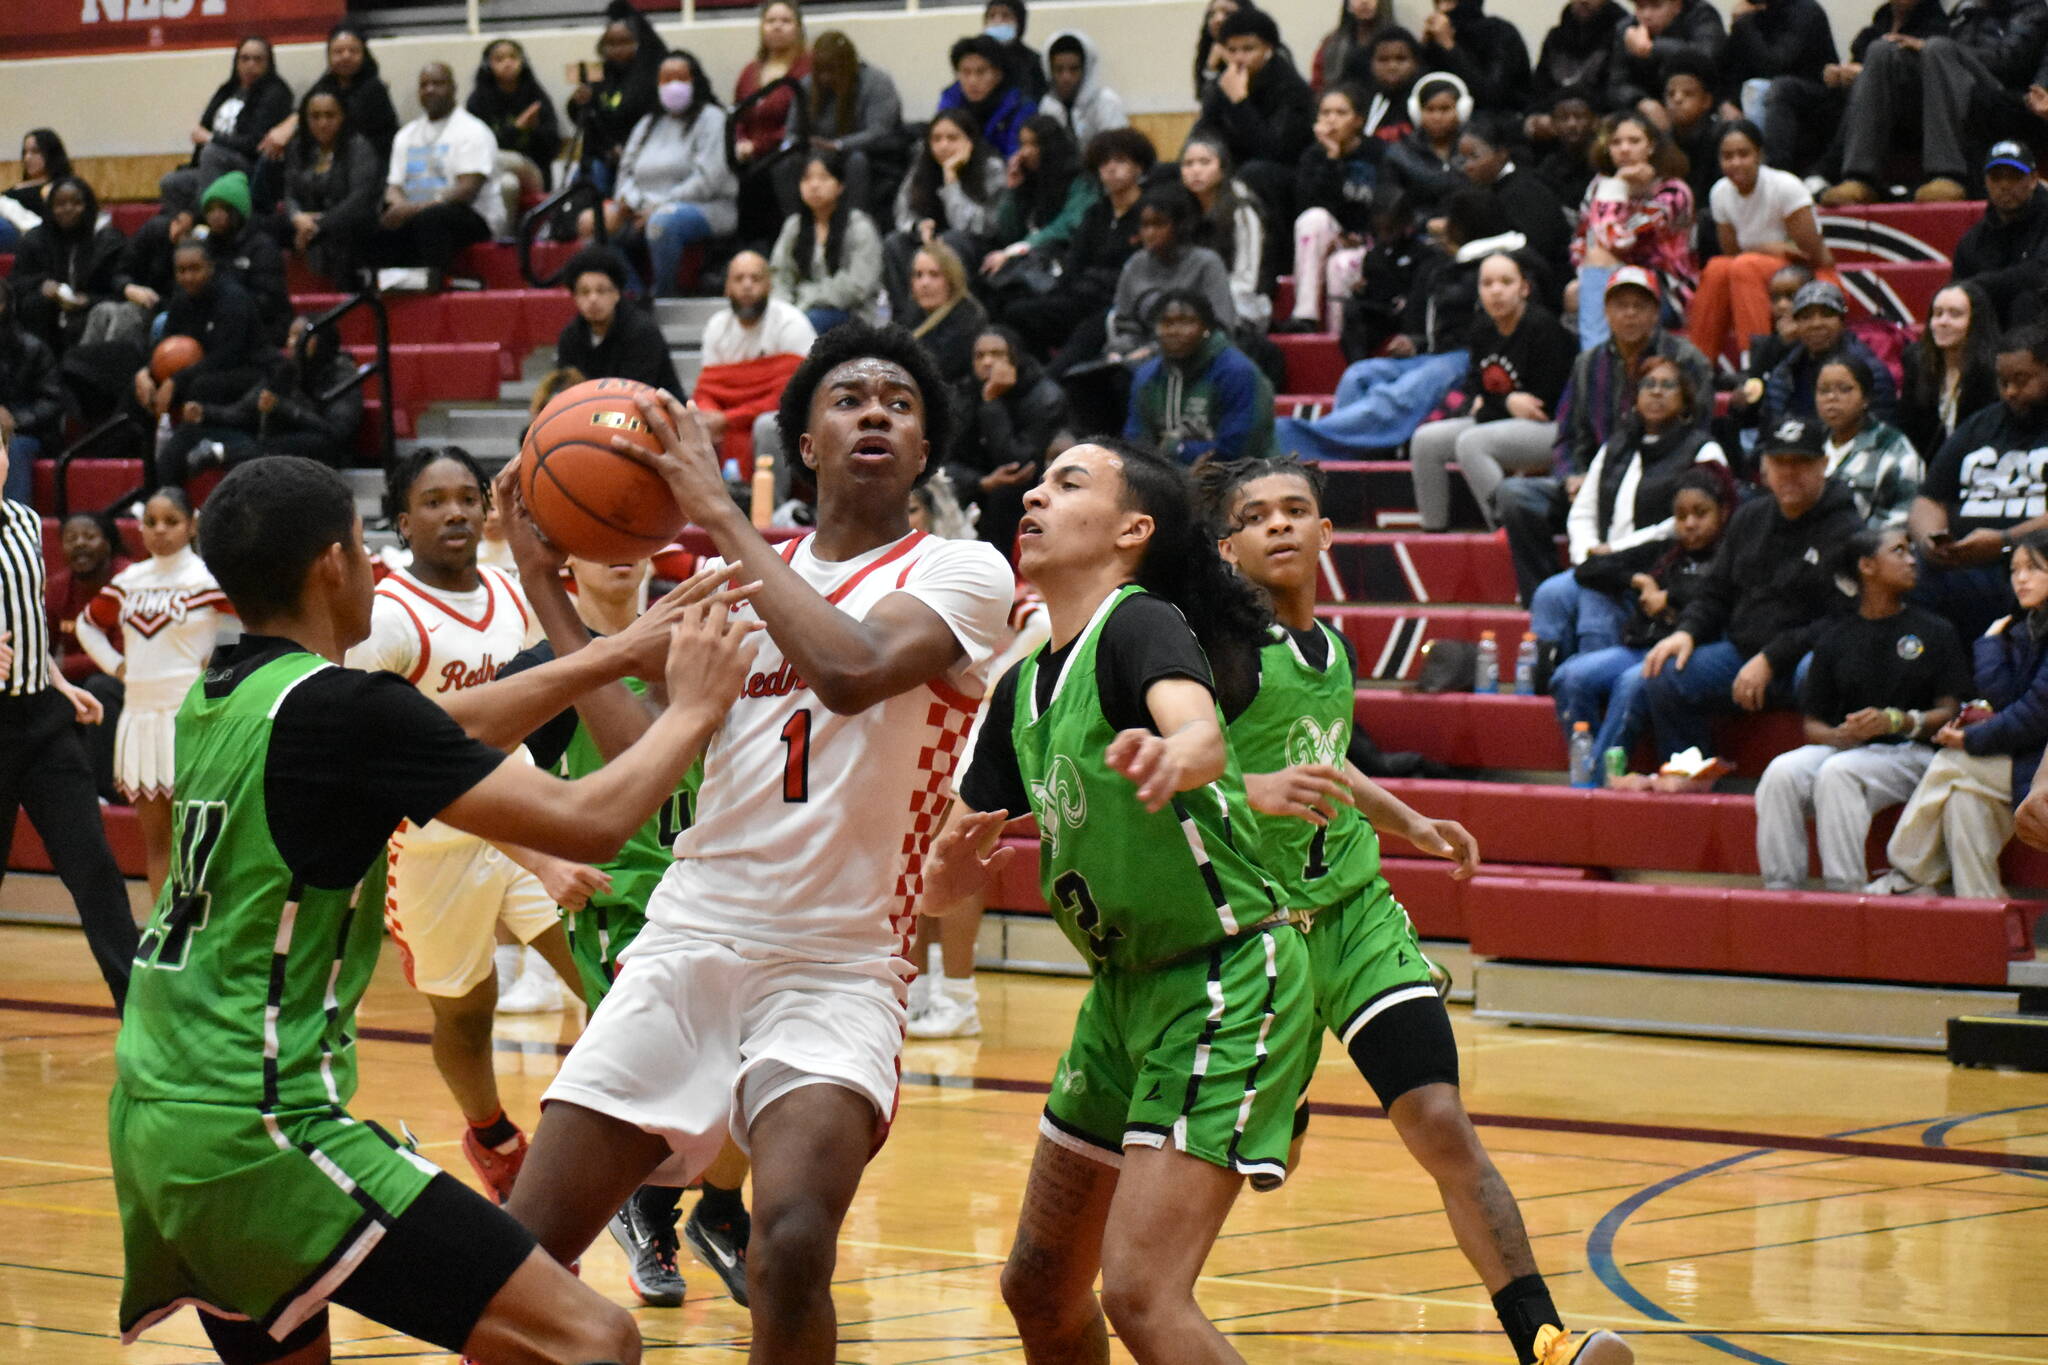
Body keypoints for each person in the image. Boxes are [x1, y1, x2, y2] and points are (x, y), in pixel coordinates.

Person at [107, 453, 752, 1365]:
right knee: (590, 1338)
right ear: (336, 562)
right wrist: (693, 707)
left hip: (154, 1116)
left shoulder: (225, 692)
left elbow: (446, 726)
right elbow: (593, 820)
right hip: (259, 1130)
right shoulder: (343, 710)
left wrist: (615, 651)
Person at [503, 323, 1014, 1364]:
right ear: (808, 443)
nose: (874, 409)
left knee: (787, 1243)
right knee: (516, 1252)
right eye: (847, 398)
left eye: (899, 403)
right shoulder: (736, 583)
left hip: (836, 966)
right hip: (690, 940)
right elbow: (651, 758)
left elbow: (852, 667)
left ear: (922, 453)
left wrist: (717, 519)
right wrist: (546, 588)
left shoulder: (963, 572)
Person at [1201, 454, 1633, 1365]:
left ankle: (1546, 1342)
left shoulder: (1331, 647)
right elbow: (1168, 773)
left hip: (1355, 913)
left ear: (1327, 534)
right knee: (1215, 1174)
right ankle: (1152, 1298)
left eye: (1297, 510)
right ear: (1226, 546)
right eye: (1257, 515)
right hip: (1254, 936)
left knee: (1439, 1118)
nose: (1280, 524)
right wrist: (1252, 784)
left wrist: (1408, 819)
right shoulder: (1215, 651)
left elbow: (1326, 758)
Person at [920, 436, 1310, 1365]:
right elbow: (942, 864)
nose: (1037, 496)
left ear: (1133, 529)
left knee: (1140, 1292)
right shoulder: (1020, 689)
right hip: (1121, 997)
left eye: (1069, 482)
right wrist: (938, 861)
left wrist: (1174, 755)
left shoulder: (1140, 625)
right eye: (1038, 481)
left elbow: (1203, 737)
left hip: (1224, 973)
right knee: (1039, 1287)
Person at [345, 448, 600, 1198]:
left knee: (606, 978)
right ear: (403, 521)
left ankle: (596, 1146)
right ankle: (491, 1135)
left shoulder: (506, 592)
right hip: (431, 846)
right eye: (434, 501)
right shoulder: (386, 620)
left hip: (524, 816)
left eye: (466, 498)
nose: (455, 512)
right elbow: (397, 768)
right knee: (467, 1011)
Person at [0, 442, 138, 1010]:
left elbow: (28, 617)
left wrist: (58, 681)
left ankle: (141, 1007)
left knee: (93, 867)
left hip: (43, 718)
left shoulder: (26, 521)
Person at [1638, 417, 1864, 761]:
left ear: (1824, 465)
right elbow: (1715, 592)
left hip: (1800, 662)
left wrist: (1773, 658)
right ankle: (1692, 773)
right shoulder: (1749, 518)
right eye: (1779, 462)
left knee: (1820, 670)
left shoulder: (1847, 530)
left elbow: (1844, 621)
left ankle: (1822, 772)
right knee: (1666, 672)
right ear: (1764, 468)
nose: (1789, 472)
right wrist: (1687, 632)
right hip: (1741, 654)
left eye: (1800, 462)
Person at [1754, 526, 1965, 890]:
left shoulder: (1935, 630)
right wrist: (1841, 734)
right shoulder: (1836, 635)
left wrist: (1896, 721)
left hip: (1915, 752)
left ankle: (1845, 895)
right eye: (1898, 551)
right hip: (1855, 750)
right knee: (1780, 773)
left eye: (1911, 551)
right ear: (1867, 566)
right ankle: (1780, 891)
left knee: (1839, 773)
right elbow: (1813, 724)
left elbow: (1952, 712)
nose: (1912, 559)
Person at [1498, 267, 1711, 604]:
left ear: (1655, 313)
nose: (1629, 314)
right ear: (1606, 312)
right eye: (1620, 305)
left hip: (1658, 484)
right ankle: (1541, 596)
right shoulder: (1587, 363)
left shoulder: (1686, 361)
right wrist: (1572, 475)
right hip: (1593, 482)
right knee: (1516, 497)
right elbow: (1567, 436)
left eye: (1638, 306)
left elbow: (1699, 435)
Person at [1273, 189, 1523, 461]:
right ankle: (1348, 461)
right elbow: (1425, 321)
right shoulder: (1441, 264)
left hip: (1471, 359)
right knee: (1359, 376)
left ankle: (1301, 438)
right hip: (1433, 354)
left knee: (1399, 394)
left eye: (1450, 222)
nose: (1441, 227)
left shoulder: (1504, 265)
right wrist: (1414, 341)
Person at [73, 489, 230, 899]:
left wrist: (221, 676)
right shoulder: (128, 582)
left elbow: (252, 622)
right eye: (152, 522)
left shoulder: (208, 579)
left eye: (171, 521)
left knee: (198, 838)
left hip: (193, 717)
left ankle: (201, 935)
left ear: (192, 524)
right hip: (139, 718)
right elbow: (88, 625)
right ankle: (163, 940)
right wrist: (117, 667)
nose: (160, 530)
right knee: (158, 840)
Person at [1882, 529, 2048, 898]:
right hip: (2027, 756)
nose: (2021, 578)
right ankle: (1989, 920)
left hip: (2042, 768)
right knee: (1964, 805)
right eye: (2015, 569)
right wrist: (1993, 641)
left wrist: (1969, 739)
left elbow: (2035, 716)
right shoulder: (2025, 630)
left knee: (1952, 764)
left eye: (2034, 569)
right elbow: (2002, 698)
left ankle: (1909, 869)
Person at [1532, 354, 1726, 667]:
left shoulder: (1703, 449)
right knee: (1550, 594)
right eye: (1648, 384)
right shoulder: (1616, 445)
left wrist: (1613, 554)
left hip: (1658, 564)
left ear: (1686, 399)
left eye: (1667, 385)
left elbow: (1685, 523)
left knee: (1598, 598)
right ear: (1635, 396)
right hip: (1603, 562)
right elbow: (1584, 509)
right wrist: (1587, 555)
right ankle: (1548, 679)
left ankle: (1593, 685)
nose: (1657, 391)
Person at [1552, 465, 1728, 755]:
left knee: (1630, 684)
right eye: (1681, 516)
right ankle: (1587, 766)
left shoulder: (1732, 552)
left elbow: (1726, 595)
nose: (1690, 524)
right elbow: (1589, 568)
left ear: (1722, 512)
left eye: (1701, 513)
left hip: (1695, 653)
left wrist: (1671, 597)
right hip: (1641, 647)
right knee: (1569, 677)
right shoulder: (1666, 551)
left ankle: (1599, 781)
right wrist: (1640, 580)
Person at [1821, 0, 2048, 206]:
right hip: (1955, 85)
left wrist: (1942, 50)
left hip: (2004, 95)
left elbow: (2009, 63)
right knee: (1881, 51)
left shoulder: (2031, 9)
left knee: (1938, 47)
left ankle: (1947, 174)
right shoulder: (1963, 12)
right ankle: (1859, 179)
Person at [1410, 252, 1574, 532]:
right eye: (1487, 284)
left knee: (1471, 443)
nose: (1496, 291)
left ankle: (1510, 532)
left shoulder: (1543, 328)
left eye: (1506, 282)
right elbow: (1476, 389)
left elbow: (1541, 406)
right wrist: (1507, 402)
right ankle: (1433, 532)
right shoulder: (1482, 328)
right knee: (1425, 441)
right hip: (1500, 419)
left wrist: (1492, 405)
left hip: (1553, 430)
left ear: (1524, 288)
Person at [1910, 324, 2048, 642]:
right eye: (2003, 382)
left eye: (2022, 380)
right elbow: (1928, 499)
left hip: (2031, 561)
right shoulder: (1981, 424)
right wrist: (1931, 541)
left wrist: (2004, 540)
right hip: (1964, 563)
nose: (2010, 391)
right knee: (1903, 572)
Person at [1000, 127, 1153, 366]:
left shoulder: (1150, 214)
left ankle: (1053, 377)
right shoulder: (1095, 213)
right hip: (1081, 296)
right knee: (1015, 312)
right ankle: (1036, 375)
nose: (1111, 169)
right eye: (1104, 164)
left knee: (1081, 340)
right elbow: (1075, 263)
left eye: (1120, 161)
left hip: (1116, 305)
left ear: (1139, 167)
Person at [1687, 122, 1834, 368]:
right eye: (1727, 156)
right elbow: (1731, 254)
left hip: (1808, 271)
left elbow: (1813, 255)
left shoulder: (1784, 186)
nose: (1735, 163)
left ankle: (1754, 363)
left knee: (1745, 266)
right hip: (1758, 269)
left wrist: (1759, 252)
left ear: (1759, 155)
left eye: (1743, 154)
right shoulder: (1720, 193)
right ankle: (1697, 365)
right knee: (1716, 268)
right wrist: (1766, 248)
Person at [160, 315, 365, 487]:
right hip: (270, 443)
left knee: (292, 445)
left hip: (321, 451)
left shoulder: (342, 373)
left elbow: (337, 431)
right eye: (290, 336)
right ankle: (161, 494)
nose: (290, 342)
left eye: (297, 336)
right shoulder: (287, 370)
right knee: (190, 430)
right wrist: (205, 412)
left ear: (316, 341)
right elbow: (244, 411)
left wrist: (282, 408)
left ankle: (224, 454)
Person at [1768, 0, 1948, 186]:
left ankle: (1825, 171)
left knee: (1861, 90)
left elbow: (1920, 80)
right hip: (1852, 98)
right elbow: (1857, 60)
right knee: (1785, 88)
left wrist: (1865, 75)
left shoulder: (1936, 27)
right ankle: (1775, 178)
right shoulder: (1880, 21)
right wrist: (1839, 73)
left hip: (1900, 110)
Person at [603, 51, 738, 298]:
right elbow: (626, 172)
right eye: (666, 79)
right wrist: (632, 203)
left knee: (662, 223)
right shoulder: (647, 123)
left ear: (695, 81)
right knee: (598, 224)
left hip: (706, 206)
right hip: (643, 206)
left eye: (680, 77)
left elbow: (709, 179)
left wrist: (657, 206)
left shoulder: (713, 119)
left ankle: (664, 297)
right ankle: (634, 295)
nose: (673, 85)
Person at [1568, 113, 1696, 349]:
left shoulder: (1673, 192)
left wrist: (1616, 188)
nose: (1624, 149)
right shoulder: (1598, 185)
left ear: (1651, 147)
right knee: (1583, 279)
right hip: (1609, 279)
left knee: (1599, 258)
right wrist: (1581, 278)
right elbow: (1580, 242)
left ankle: (1597, 361)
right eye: (1616, 143)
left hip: (1665, 288)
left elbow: (1617, 239)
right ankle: (1597, 361)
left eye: (1634, 141)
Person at [370, 63, 503, 289]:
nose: (430, 89)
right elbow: (393, 187)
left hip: (472, 216)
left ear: (453, 88)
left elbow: (466, 190)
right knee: (371, 218)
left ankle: (438, 285)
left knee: (432, 218)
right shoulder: (406, 134)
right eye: (424, 85)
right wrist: (400, 206)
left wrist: (412, 210)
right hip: (420, 213)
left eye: (437, 83)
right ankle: (386, 288)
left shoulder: (473, 130)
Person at [693, 250, 817, 485]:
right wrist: (710, 415)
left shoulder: (791, 323)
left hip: (784, 418)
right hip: (727, 419)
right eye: (739, 279)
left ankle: (772, 510)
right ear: (727, 287)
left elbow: (795, 393)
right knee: (694, 421)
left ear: (769, 285)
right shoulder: (716, 327)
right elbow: (707, 389)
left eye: (755, 278)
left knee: (767, 425)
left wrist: (728, 419)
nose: (747, 286)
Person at [948, 324, 1065, 552]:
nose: (987, 362)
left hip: (1028, 492)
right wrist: (980, 482)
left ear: (1015, 357)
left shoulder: (1045, 397)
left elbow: (1018, 465)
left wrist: (992, 403)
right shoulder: (963, 393)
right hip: (977, 488)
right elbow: (944, 461)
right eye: (979, 356)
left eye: (997, 354)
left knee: (1006, 494)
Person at [1201, 8, 1318, 232]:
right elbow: (1205, 132)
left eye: (1248, 49)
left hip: (1286, 174)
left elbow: (1274, 149)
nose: (1239, 58)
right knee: (1174, 172)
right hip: (1236, 165)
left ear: (1268, 49)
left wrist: (1240, 103)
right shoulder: (1225, 82)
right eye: (1231, 50)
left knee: (1254, 172)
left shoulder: (1292, 88)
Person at [1126, 288, 1274, 464]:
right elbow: (1136, 442)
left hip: (1242, 477)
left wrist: (1174, 448)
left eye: (1186, 322)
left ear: (1206, 327)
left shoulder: (1237, 372)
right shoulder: (1147, 376)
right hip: (1169, 480)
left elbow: (1239, 448)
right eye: (1166, 323)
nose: (1175, 331)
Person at [885, 110, 1006, 322]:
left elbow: (975, 225)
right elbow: (902, 211)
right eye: (936, 139)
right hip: (932, 243)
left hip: (976, 246)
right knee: (894, 243)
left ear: (970, 141)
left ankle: (955, 318)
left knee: (952, 240)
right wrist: (918, 227)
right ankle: (905, 320)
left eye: (953, 138)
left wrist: (952, 180)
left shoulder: (991, 168)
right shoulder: (923, 166)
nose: (943, 145)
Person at [1280, 82, 1383, 332]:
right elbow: (1309, 207)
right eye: (1325, 113)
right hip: (1330, 236)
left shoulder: (1379, 154)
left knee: (1341, 265)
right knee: (1312, 219)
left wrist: (1362, 237)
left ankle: (1338, 337)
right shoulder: (1313, 157)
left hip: (1368, 243)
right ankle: (1305, 316)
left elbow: (1387, 206)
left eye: (1340, 113)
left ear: (1358, 120)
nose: (1332, 120)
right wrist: (1333, 159)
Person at [159, 37, 295, 215]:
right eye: (244, 58)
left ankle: (205, 223)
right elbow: (204, 127)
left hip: (249, 169)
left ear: (268, 63)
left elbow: (255, 143)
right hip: (213, 165)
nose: (250, 65)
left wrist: (212, 139)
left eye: (257, 59)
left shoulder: (276, 93)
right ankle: (182, 233)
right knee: (171, 182)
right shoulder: (227, 90)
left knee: (212, 152)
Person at [133, 242, 267, 419]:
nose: (188, 277)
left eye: (195, 269)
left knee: (199, 386)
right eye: (181, 271)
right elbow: (166, 342)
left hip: (246, 369)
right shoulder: (181, 299)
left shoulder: (233, 299)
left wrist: (176, 380)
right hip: (198, 368)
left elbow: (226, 356)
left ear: (210, 268)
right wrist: (146, 372)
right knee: (141, 387)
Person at [1105, 184, 1236, 361]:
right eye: (1144, 225)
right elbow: (1126, 326)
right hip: (1138, 355)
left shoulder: (1207, 263)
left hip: (1196, 356)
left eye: (1159, 224)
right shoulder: (1136, 264)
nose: (1150, 233)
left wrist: (1154, 351)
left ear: (1180, 225)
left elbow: (1220, 327)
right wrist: (1117, 352)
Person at [259, 23, 400, 172]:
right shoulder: (327, 83)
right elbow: (307, 108)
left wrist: (295, 126)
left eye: (353, 51)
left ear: (364, 54)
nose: (346, 56)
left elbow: (342, 128)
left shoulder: (373, 88)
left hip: (365, 163)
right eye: (338, 52)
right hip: (328, 154)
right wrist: (288, 127)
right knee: (272, 157)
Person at [1760, 280, 1898, 431]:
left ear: (1842, 321)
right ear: (1796, 324)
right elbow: (1769, 433)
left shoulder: (1871, 371)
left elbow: (1881, 432)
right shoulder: (1785, 370)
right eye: (1806, 317)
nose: (1816, 324)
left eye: (1826, 315)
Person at [770, 149, 884, 332]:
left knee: (807, 323)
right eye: (806, 179)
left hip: (853, 314)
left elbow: (858, 286)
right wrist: (784, 309)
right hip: (801, 309)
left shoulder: (859, 227)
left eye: (823, 178)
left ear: (840, 186)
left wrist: (808, 297)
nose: (814, 185)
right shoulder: (794, 225)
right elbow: (780, 274)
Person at [10, 176, 125, 356]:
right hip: (45, 316)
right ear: (50, 208)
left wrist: (88, 300)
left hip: (89, 314)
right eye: (60, 204)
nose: (68, 209)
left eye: (76, 203)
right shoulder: (34, 240)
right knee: (35, 305)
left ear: (88, 206)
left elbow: (119, 288)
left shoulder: (106, 241)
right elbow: (15, 284)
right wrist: (42, 285)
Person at [799, 30, 907, 220]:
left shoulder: (877, 81)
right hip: (818, 154)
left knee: (856, 160)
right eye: (820, 70)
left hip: (870, 155)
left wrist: (839, 145)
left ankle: (857, 224)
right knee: (786, 164)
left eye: (831, 70)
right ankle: (797, 223)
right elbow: (793, 130)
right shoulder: (808, 85)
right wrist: (799, 143)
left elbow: (880, 131)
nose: (825, 77)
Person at [281, 89, 384, 288]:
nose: (323, 123)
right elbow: (289, 192)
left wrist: (319, 225)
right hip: (307, 222)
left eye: (330, 115)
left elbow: (359, 200)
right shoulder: (298, 148)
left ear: (343, 116)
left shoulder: (359, 147)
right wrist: (296, 217)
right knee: (265, 227)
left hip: (345, 222)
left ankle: (343, 302)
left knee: (344, 232)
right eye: (315, 116)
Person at [1456, 113, 1571, 288]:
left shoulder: (1526, 190)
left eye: (1475, 156)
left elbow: (1538, 251)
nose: (1467, 166)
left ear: (1501, 154)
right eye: (1462, 159)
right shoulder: (1480, 190)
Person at [550, 247, 682, 398]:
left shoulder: (642, 332)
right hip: (592, 413)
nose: (593, 299)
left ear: (617, 294)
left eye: (601, 291)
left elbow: (634, 394)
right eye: (585, 292)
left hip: (653, 413)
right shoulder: (570, 336)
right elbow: (566, 390)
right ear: (575, 298)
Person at [1179, 132, 1271, 337]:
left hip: (1242, 303)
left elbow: (1248, 279)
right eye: (1188, 164)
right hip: (1191, 302)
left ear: (1222, 169)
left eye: (1204, 162)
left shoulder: (1243, 209)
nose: (1195, 170)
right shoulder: (1180, 211)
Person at [981, 117, 1095, 281]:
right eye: (1022, 144)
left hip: (1064, 255)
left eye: (1033, 144)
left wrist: (1017, 249)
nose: (1025, 152)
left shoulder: (1080, 178)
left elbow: (1068, 225)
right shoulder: (1029, 179)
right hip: (1028, 253)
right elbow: (1007, 233)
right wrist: (1014, 191)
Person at [1899, 282, 2001, 462]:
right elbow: (1908, 428)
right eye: (1937, 314)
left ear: (1975, 321)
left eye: (1955, 314)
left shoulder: (1994, 368)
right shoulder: (1916, 362)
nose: (1943, 322)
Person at [1816, 354, 1922, 527]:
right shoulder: (1809, 443)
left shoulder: (1895, 450)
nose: (1832, 398)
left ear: (1866, 398)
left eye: (1845, 389)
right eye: (1824, 390)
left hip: (1865, 548)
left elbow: (1899, 520)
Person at [467, 38, 564, 224]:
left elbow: (553, 147)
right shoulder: (478, 101)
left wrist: (534, 129)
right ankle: (507, 241)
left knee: (500, 158)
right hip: (494, 176)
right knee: (508, 184)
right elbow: (477, 149)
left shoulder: (536, 96)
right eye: (499, 59)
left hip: (533, 171)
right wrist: (516, 129)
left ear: (523, 62)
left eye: (513, 57)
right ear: (488, 65)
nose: (508, 63)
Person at [1950, 142, 2048, 327]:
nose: (2005, 185)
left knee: (2026, 301)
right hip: (1992, 337)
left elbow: (2040, 274)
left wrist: (1976, 286)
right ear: (1986, 182)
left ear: (2034, 179)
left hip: (2041, 334)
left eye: (2015, 177)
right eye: (1996, 177)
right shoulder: (1972, 242)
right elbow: (1958, 293)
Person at [568, 7, 666, 191]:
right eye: (610, 44)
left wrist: (625, 150)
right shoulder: (598, 72)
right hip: (602, 155)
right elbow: (585, 118)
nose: (617, 50)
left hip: (642, 156)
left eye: (624, 42)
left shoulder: (652, 75)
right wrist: (577, 102)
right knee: (583, 178)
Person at [198, 171, 290, 345]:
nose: (215, 215)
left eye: (221, 208)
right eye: (210, 209)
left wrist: (225, 306)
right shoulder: (203, 248)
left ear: (236, 211)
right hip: (215, 324)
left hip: (261, 328)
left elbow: (269, 302)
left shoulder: (262, 247)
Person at [0, 265, 66, 507]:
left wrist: (16, 420)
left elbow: (53, 401)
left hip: (29, 433)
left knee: (12, 449)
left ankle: (12, 527)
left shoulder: (33, 348)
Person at [1721, 0, 1836, 136]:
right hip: (1767, 98)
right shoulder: (1752, 14)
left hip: (1810, 103)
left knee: (1769, 88)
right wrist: (1727, 103)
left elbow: (1775, 67)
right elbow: (1728, 72)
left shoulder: (1805, 11)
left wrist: (1745, 24)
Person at [1604, 0, 1726, 128]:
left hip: (1705, 111)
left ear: (1677, 6)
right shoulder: (1628, 29)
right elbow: (1616, 83)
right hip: (1650, 112)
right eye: (1640, 7)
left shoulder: (1702, 15)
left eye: (1656, 6)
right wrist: (1640, 101)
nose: (1647, 15)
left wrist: (1652, 48)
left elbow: (1707, 56)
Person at [732, 1, 812, 171]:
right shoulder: (750, 71)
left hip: (791, 159)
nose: (777, 26)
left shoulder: (808, 68)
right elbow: (737, 115)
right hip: (749, 160)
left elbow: (805, 123)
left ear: (798, 28)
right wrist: (741, 141)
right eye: (770, 21)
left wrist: (759, 146)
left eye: (785, 21)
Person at [1418, 0, 1533, 114]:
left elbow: (1492, 96)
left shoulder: (1499, 32)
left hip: (1500, 121)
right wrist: (1423, 48)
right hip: (1441, 123)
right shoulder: (1437, 36)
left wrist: (1449, 46)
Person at [907, 241, 992, 388]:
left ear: (952, 279)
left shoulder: (969, 320)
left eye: (934, 275)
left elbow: (936, 372)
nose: (924, 283)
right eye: (918, 275)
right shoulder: (911, 315)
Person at [1380, 73, 1468, 213]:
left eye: (1445, 109)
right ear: (1417, 112)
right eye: (1429, 109)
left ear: (1462, 110)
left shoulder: (1475, 148)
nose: (1437, 117)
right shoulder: (1400, 154)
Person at [1528, 0, 1629, 120]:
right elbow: (1538, 92)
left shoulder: (1625, 35)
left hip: (1608, 122)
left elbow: (1619, 94)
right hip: (1555, 122)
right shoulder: (1555, 38)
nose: (1583, 1)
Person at [939, 34, 1032, 160]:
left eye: (980, 72)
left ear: (998, 74)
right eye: (965, 72)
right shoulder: (949, 104)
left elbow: (1016, 157)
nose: (972, 81)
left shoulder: (1019, 107)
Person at [1040, 30, 1128, 148]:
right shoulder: (1048, 106)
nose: (1066, 77)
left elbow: (1118, 149)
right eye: (1059, 70)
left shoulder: (1106, 102)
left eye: (1074, 69)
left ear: (1086, 70)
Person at [0, 129, 72, 250]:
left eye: (35, 151)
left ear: (51, 154)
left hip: (32, 236)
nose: (27, 158)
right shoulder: (21, 186)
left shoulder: (60, 187)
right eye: (25, 152)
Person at [1314, 0, 1399, 91]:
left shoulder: (1399, 42)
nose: (1364, 2)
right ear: (1348, 5)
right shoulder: (1332, 43)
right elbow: (1318, 84)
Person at [1532, 92, 1597, 209]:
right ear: (1553, 125)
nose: (1572, 124)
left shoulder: (1607, 161)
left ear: (1594, 122)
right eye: (1564, 118)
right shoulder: (1547, 169)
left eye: (1579, 117)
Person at [984, 0, 1050, 100]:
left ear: (1019, 22)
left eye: (1005, 16)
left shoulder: (1034, 61)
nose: (997, 21)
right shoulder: (977, 59)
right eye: (992, 16)